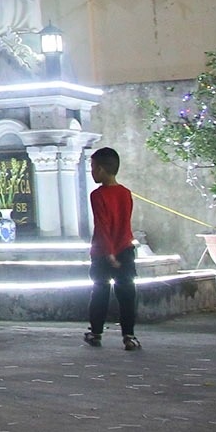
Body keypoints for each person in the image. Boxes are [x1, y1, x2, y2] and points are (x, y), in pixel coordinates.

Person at [84, 147, 140, 351]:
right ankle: (129, 335)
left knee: (100, 291)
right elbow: (124, 223)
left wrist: (108, 252)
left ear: (100, 170)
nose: (91, 172)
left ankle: (96, 332)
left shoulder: (97, 196)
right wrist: (118, 250)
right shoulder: (125, 193)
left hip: (102, 252)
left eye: (92, 167)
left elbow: (102, 225)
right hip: (125, 248)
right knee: (127, 293)